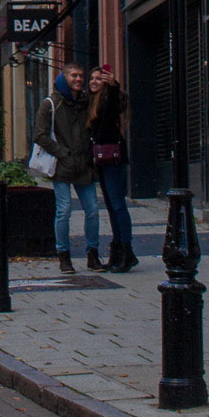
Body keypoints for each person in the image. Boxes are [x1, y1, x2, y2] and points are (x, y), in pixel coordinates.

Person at [32, 63, 102, 275]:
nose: (79, 79)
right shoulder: (51, 104)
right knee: (64, 211)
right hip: (62, 165)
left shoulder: (86, 101)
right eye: (74, 76)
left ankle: (93, 254)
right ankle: (63, 255)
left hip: (84, 165)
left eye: (81, 76)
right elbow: (40, 135)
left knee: (93, 210)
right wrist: (63, 153)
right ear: (64, 78)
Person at [89, 65, 137, 273]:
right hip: (101, 158)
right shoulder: (93, 101)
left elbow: (112, 110)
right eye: (92, 78)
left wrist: (114, 86)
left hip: (112, 158)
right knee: (110, 205)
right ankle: (118, 249)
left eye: (99, 79)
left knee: (118, 205)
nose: (94, 81)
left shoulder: (109, 100)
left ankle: (126, 250)